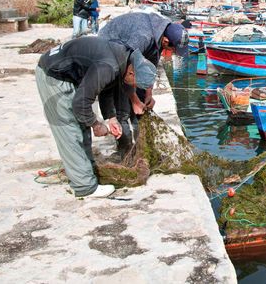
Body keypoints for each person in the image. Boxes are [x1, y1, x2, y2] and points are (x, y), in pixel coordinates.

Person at [36, 36, 157, 198]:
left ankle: (86, 170)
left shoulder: (124, 57)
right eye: (135, 82)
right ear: (131, 72)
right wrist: (96, 125)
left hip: (69, 73)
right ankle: (84, 187)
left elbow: (106, 86)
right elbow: (81, 104)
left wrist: (111, 118)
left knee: (81, 125)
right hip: (53, 74)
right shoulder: (109, 66)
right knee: (70, 131)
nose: (134, 86)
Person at [98, 12, 189, 157]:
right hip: (110, 49)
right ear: (166, 41)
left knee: (142, 105)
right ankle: (125, 150)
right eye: (173, 49)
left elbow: (150, 64)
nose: (172, 53)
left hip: (130, 53)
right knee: (123, 108)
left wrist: (148, 94)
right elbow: (126, 69)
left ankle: (142, 147)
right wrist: (134, 100)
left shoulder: (160, 31)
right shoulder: (143, 37)